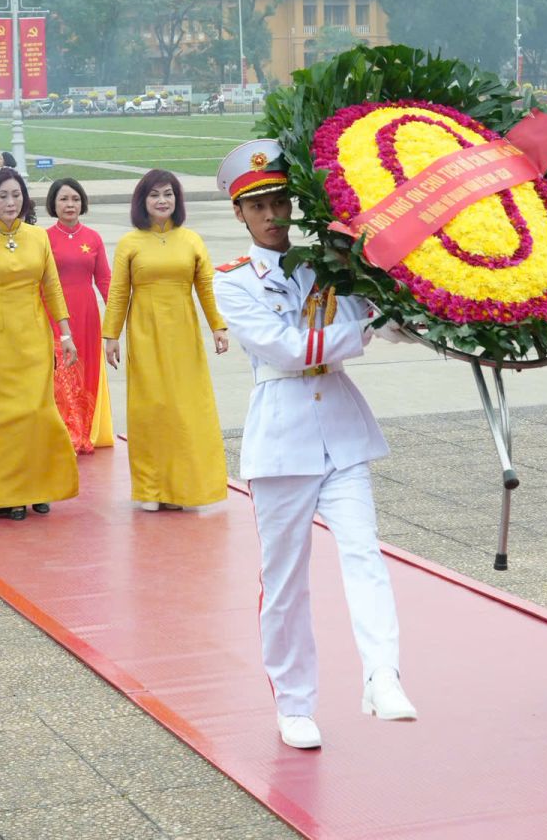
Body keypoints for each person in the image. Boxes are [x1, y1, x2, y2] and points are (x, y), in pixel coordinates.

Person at [211, 139, 416, 751]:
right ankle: (295, 701)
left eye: (279, 202)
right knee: (285, 579)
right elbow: (288, 350)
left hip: (343, 432)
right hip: (282, 438)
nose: (273, 215)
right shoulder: (233, 283)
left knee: (364, 553)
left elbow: (395, 321)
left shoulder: (324, 264)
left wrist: (384, 276)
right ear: (240, 215)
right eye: (259, 206)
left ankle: (383, 675)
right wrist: (367, 328)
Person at [0, 166, 80, 519]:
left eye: (16, 195)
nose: (11, 202)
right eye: (2, 196)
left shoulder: (38, 237)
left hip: (34, 336)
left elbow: (52, 287)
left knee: (38, 414)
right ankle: (3, 493)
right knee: (1, 418)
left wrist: (65, 334)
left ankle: (38, 487)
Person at [102, 170, 229, 510]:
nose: (162, 200)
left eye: (168, 194)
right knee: (151, 409)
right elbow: (118, 293)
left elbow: (206, 286)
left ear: (177, 199)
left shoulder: (191, 240)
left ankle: (185, 487)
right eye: (155, 194)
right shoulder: (130, 243)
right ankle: (151, 488)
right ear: (142, 201)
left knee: (186, 409)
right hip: (144, 333)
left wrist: (218, 325)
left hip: (184, 335)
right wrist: (110, 335)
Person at [44, 177, 113, 451]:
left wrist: (119, 317)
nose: (70, 204)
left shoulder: (93, 238)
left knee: (87, 370)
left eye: (74, 199)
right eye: (63, 199)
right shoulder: (44, 238)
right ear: (53, 203)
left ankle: (86, 431)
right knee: (62, 373)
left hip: (87, 314)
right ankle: (66, 432)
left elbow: (105, 280)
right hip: (54, 315)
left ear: (82, 202)